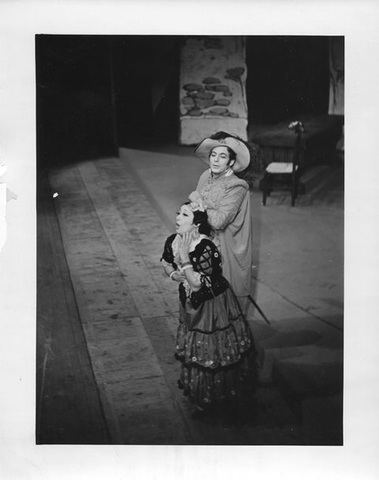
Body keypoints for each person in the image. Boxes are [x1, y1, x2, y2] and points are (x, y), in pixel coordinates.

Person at [161, 201, 257, 418]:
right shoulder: (173, 240)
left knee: (213, 350)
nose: (177, 218)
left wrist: (185, 258)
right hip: (190, 302)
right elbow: (166, 262)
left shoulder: (206, 248)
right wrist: (173, 274)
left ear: (195, 225)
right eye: (179, 213)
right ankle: (201, 396)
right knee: (196, 349)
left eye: (184, 215)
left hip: (212, 304)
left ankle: (219, 399)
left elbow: (196, 284)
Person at [189, 131, 261, 303]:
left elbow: (218, 221)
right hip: (203, 243)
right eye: (213, 155)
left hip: (225, 250)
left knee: (223, 303)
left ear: (231, 162)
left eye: (222, 156)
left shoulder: (237, 186)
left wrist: (200, 202)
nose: (215, 160)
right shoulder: (206, 175)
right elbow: (194, 210)